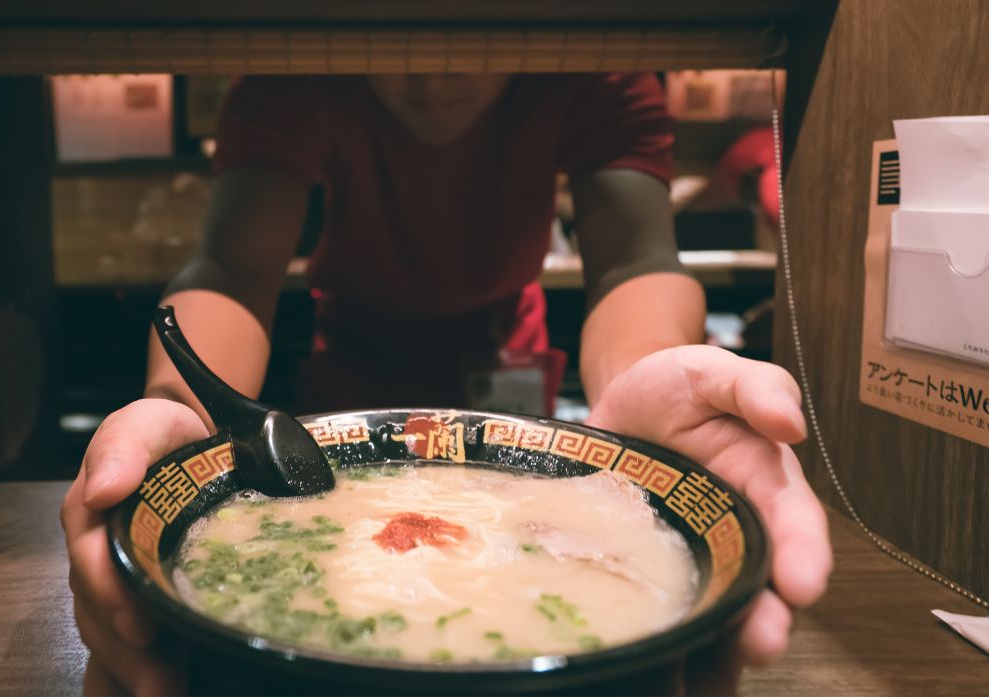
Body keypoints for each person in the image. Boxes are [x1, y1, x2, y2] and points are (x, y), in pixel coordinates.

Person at [60, 73, 832, 695]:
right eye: (391, 31)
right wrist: (178, 413)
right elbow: (232, 267)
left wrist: (642, 381)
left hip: (508, 390)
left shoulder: (592, 52)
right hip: (343, 397)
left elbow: (634, 260)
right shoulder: (300, 56)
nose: (431, 80)